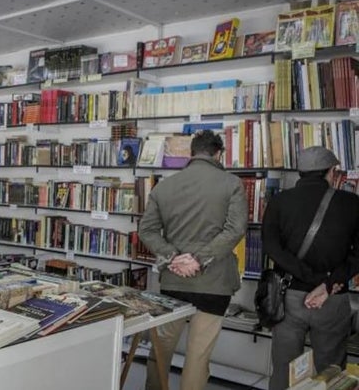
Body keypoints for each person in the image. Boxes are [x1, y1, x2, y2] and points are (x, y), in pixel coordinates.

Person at [138, 130, 247, 390]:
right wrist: (199, 259)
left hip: (173, 280)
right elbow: (235, 230)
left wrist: (173, 257)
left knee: (160, 350)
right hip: (215, 283)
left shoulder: (164, 186)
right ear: (218, 153)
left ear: (191, 153)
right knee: (198, 357)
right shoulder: (232, 184)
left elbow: (147, 230)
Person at [262, 146, 359, 390]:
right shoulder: (351, 203)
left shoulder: (279, 201)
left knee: (284, 367)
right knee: (332, 370)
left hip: (287, 296)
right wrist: (325, 285)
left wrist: (306, 276)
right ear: (331, 171)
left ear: (300, 172)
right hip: (332, 297)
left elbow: (271, 247)